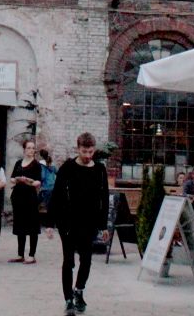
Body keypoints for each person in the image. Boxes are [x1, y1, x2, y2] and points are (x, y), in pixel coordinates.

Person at [50, 132, 109, 315]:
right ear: (78, 149)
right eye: (84, 151)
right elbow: (57, 194)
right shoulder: (67, 167)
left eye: (91, 152)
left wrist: (103, 225)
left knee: (87, 260)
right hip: (68, 222)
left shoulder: (100, 170)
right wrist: (51, 222)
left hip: (89, 222)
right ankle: (68, 299)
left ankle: (79, 290)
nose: (88, 155)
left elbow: (104, 198)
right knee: (68, 261)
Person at [9, 139, 42, 263]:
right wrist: (17, 179)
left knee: (32, 226)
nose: (31, 150)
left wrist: (28, 181)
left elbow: (38, 182)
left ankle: (32, 255)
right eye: (29, 148)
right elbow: (12, 179)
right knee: (20, 225)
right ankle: (20, 254)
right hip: (18, 196)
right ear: (24, 149)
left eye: (33, 148)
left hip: (30, 197)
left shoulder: (36, 164)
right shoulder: (18, 163)